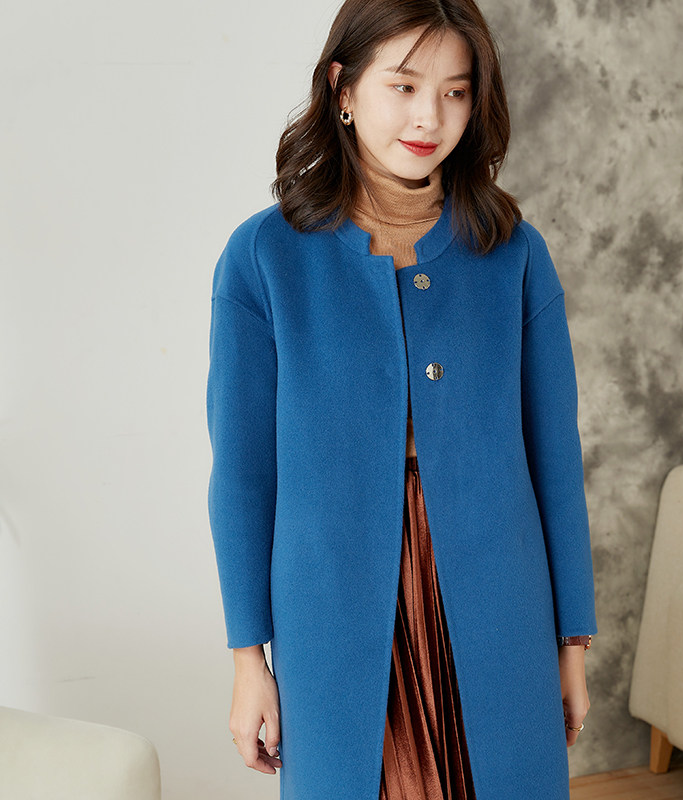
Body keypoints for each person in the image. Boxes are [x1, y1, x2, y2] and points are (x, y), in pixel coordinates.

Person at [205, 1, 598, 798]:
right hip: (335, 610)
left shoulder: (514, 253)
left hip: (498, 601)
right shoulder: (263, 258)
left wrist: (571, 644)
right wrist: (250, 660)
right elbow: (243, 476)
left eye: (456, 92)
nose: (430, 118)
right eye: (406, 86)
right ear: (343, 88)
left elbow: (555, 459)